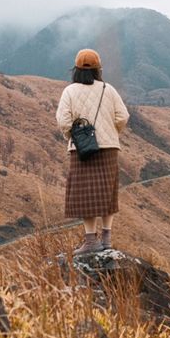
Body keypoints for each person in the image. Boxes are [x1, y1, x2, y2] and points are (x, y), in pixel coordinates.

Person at [55, 48, 130, 255]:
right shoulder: (109, 89)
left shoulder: (70, 91)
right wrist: (112, 132)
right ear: (98, 69)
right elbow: (122, 116)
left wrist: (72, 136)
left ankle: (90, 241)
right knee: (107, 193)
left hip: (82, 150)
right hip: (109, 149)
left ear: (76, 70)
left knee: (86, 195)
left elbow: (63, 121)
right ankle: (106, 239)